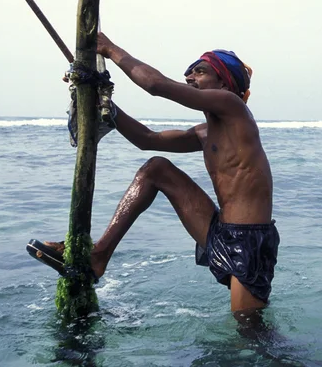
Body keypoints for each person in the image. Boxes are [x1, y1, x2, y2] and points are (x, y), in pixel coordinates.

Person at [27, 32, 280, 314]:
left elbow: (156, 85)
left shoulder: (234, 108)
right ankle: (98, 256)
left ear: (223, 83)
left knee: (250, 334)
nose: (188, 77)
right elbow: (147, 139)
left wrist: (110, 49)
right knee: (156, 169)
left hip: (250, 240)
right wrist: (104, 102)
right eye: (188, 72)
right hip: (219, 229)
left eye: (200, 71)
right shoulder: (204, 133)